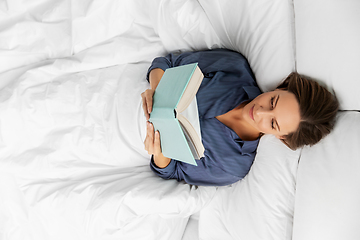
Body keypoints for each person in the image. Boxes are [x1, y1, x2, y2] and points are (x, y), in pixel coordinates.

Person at [141, 49, 338, 186]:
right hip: (128, 92)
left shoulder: (233, 165)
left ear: (282, 137)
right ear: (280, 87)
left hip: (127, 141)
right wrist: (158, 93)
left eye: (273, 123)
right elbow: (166, 63)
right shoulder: (234, 68)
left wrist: (158, 151)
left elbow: (170, 172)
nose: (259, 112)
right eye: (272, 102)